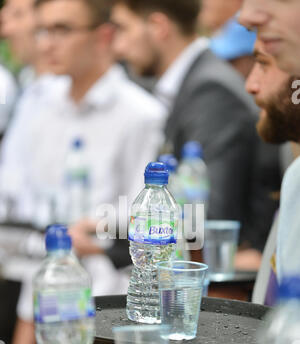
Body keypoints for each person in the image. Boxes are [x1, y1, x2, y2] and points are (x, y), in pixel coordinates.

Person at [5, 34, 300, 344]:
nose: (248, 84)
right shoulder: (295, 179)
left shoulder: (157, 106)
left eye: (264, 64)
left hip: (136, 294)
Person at [0, 0, 165, 344]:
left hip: (103, 298)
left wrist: (98, 228)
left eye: (61, 30)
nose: (46, 44)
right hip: (27, 275)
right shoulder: (38, 102)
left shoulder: (140, 114)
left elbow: (141, 216)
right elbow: (18, 203)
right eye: (42, 30)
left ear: (104, 36)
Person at [110, 0, 281, 256]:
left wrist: (112, 236)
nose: (118, 47)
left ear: (158, 26)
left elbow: (205, 221)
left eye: (123, 29)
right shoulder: (194, 81)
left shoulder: (210, 91)